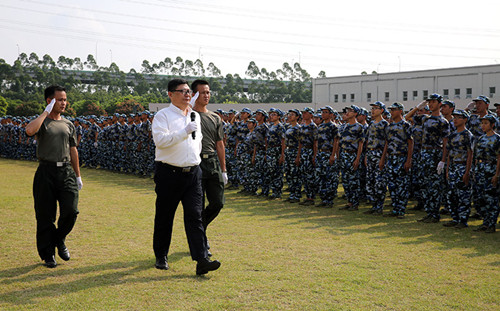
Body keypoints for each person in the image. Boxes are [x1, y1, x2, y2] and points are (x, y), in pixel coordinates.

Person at [151, 78, 220, 275]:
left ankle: (201, 260)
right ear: (170, 94)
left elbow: (196, 143)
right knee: (165, 216)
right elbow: (161, 141)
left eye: (189, 91)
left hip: (193, 173)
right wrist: (183, 132)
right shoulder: (162, 116)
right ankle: (161, 255)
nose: (187, 94)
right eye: (182, 91)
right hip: (169, 172)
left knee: (195, 217)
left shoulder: (194, 116)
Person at [25, 85, 82, 268]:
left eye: (65, 99)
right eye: (60, 99)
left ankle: (59, 239)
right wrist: (44, 113)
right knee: (45, 215)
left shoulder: (68, 124)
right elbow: (29, 131)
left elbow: (73, 150)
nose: (64, 103)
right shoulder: (42, 123)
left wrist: (78, 175)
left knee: (71, 211)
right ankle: (48, 254)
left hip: (65, 171)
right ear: (50, 101)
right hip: (45, 171)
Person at [191, 79, 227, 256]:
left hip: (211, 162)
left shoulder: (215, 117)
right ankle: (201, 242)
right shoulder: (188, 115)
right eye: (202, 92)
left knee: (217, 203)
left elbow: (220, 144)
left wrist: (224, 169)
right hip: (195, 163)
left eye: (208, 92)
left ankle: (200, 229)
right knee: (196, 206)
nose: (206, 95)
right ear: (195, 94)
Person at [380, 102, 413, 218]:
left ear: (400, 111)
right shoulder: (389, 127)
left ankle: (401, 210)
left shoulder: (406, 125)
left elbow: (410, 143)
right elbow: (387, 143)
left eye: (394, 110)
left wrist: (408, 160)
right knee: (392, 185)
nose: (391, 112)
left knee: (402, 185)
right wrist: (383, 159)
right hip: (391, 158)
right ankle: (395, 208)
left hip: (401, 157)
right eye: (391, 110)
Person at [443, 109, 473, 228]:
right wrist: (447, 169)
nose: (455, 120)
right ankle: (455, 218)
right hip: (453, 167)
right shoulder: (452, 135)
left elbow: (470, 153)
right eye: (454, 117)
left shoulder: (467, 135)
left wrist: (467, 171)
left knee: (463, 195)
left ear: (465, 120)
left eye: (458, 117)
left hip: (462, 166)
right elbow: (449, 153)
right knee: (451, 194)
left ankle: (463, 220)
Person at [472, 115, 500, 233]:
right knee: (480, 197)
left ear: (492, 125)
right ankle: (485, 222)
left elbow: (499, 157)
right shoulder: (481, 139)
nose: (483, 125)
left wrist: (497, 174)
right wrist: (475, 170)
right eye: (482, 123)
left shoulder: (497, 139)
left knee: (491, 198)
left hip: (491, 169)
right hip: (480, 169)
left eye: (486, 123)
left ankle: (491, 224)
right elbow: (476, 156)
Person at [363, 101, 389, 215]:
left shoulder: (385, 124)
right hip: (370, 154)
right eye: (372, 108)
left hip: (379, 154)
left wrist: (383, 158)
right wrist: (366, 156)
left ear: (382, 110)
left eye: (376, 108)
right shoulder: (371, 124)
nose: (373, 111)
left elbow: (387, 142)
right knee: (370, 181)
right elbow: (367, 141)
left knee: (380, 182)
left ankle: (379, 206)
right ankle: (374, 205)